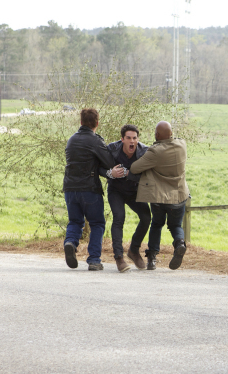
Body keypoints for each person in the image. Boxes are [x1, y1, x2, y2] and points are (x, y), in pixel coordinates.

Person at [62, 108, 124, 270]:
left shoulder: (71, 140)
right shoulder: (95, 141)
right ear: (97, 123)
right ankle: (94, 260)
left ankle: (70, 242)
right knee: (97, 223)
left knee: (75, 221)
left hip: (69, 188)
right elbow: (109, 162)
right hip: (89, 189)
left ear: (81, 122)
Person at [130, 121, 190, 270]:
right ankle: (180, 244)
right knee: (176, 225)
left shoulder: (155, 152)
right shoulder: (182, 144)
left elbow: (134, 168)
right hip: (179, 195)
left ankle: (152, 258)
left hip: (160, 197)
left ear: (157, 135)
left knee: (157, 224)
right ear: (171, 133)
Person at [105, 124, 151, 272]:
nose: (132, 141)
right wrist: (110, 173)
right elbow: (99, 167)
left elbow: (148, 174)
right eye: (128, 138)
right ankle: (119, 257)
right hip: (116, 190)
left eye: (135, 138)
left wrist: (128, 174)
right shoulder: (112, 149)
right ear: (122, 139)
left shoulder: (144, 151)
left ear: (138, 139)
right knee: (119, 217)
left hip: (134, 191)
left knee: (146, 217)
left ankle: (134, 250)